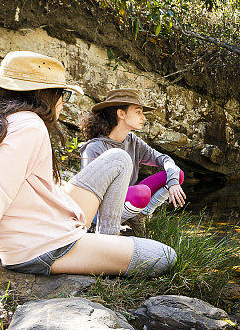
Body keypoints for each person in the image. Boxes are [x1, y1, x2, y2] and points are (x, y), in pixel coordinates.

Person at [0, 51, 176, 326]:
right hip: (44, 247)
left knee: (118, 158)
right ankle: (106, 249)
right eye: (62, 94)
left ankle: (106, 241)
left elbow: (21, 188)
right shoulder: (28, 126)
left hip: (39, 231)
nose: (63, 102)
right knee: (164, 256)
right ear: (45, 95)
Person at [78, 88, 186, 235]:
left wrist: (173, 182)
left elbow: (164, 159)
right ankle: (127, 219)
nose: (143, 117)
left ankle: (141, 215)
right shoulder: (94, 148)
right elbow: (88, 196)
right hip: (101, 212)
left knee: (177, 174)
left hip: (127, 201)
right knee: (140, 193)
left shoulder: (133, 141)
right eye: (138, 112)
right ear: (121, 114)